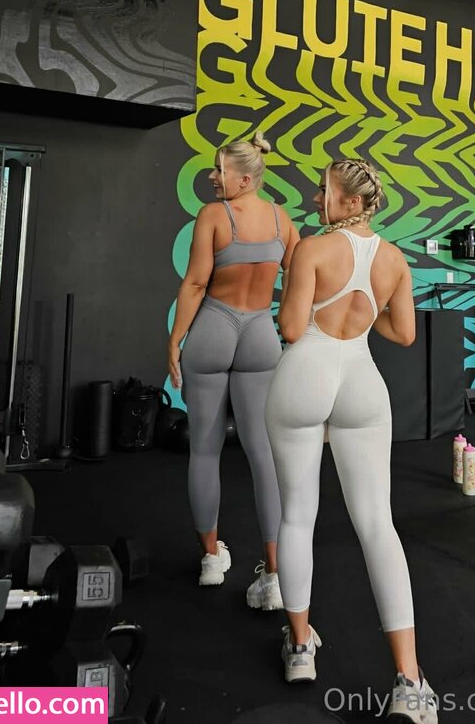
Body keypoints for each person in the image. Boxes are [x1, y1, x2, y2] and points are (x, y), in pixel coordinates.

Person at [265, 158, 438, 723]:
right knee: (378, 525)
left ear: (351, 201)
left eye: (325, 191)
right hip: (362, 380)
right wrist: (363, 317)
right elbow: (404, 332)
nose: (317, 199)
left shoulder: (311, 250)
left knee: (297, 517)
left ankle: (300, 647)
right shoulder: (394, 259)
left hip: (306, 374)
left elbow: (292, 328)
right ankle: (409, 680)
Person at [168, 133, 298, 609]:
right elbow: (298, 278)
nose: (211, 177)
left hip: (213, 330)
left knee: (204, 450)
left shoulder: (212, 216)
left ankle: (210, 558)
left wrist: (175, 340)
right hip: (261, 333)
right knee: (262, 453)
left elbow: (195, 283)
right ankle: (275, 573)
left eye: (219, 170)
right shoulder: (283, 220)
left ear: (244, 178)